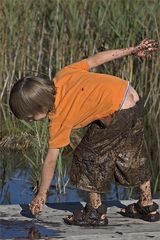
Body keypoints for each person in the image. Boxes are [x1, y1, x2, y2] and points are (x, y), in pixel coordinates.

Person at [9, 39, 159, 226]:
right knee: (131, 153)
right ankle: (147, 205)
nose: (31, 121)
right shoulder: (64, 74)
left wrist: (41, 194)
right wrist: (131, 50)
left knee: (85, 156)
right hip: (132, 98)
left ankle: (95, 212)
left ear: (39, 107)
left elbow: (51, 160)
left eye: (30, 117)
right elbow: (96, 59)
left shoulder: (58, 119)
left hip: (117, 112)